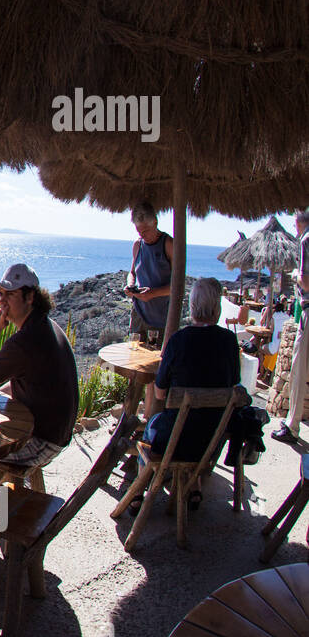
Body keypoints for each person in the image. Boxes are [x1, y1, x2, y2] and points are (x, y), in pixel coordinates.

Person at [132, 278, 240, 509]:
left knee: (152, 425)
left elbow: (160, 394)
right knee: (197, 425)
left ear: (192, 307)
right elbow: (234, 386)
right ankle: (194, 485)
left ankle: (138, 492)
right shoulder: (230, 341)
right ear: (217, 308)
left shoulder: (178, 341)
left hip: (173, 439)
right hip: (210, 442)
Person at [0, 264, 78, 476]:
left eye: (10, 294)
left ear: (30, 297)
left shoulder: (26, 341)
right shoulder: (45, 325)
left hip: (41, 442)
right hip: (56, 431)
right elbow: (26, 382)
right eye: (1, 294)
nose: (2, 301)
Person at [272, 209, 309, 443]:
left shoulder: (306, 239)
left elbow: (306, 280)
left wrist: (295, 274)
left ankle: (292, 426)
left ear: (297, 222)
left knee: (298, 369)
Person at [125, 201, 174, 339]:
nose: (142, 235)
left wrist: (153, 294)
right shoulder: (138, 244)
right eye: (138, 231)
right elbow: (132, 272)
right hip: (139, 315)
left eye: (145, 231)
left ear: (155, 223)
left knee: (157, 358)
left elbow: (178, 286)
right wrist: (130, 285)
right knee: (134, 356)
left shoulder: (169, 244)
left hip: (161, 318)